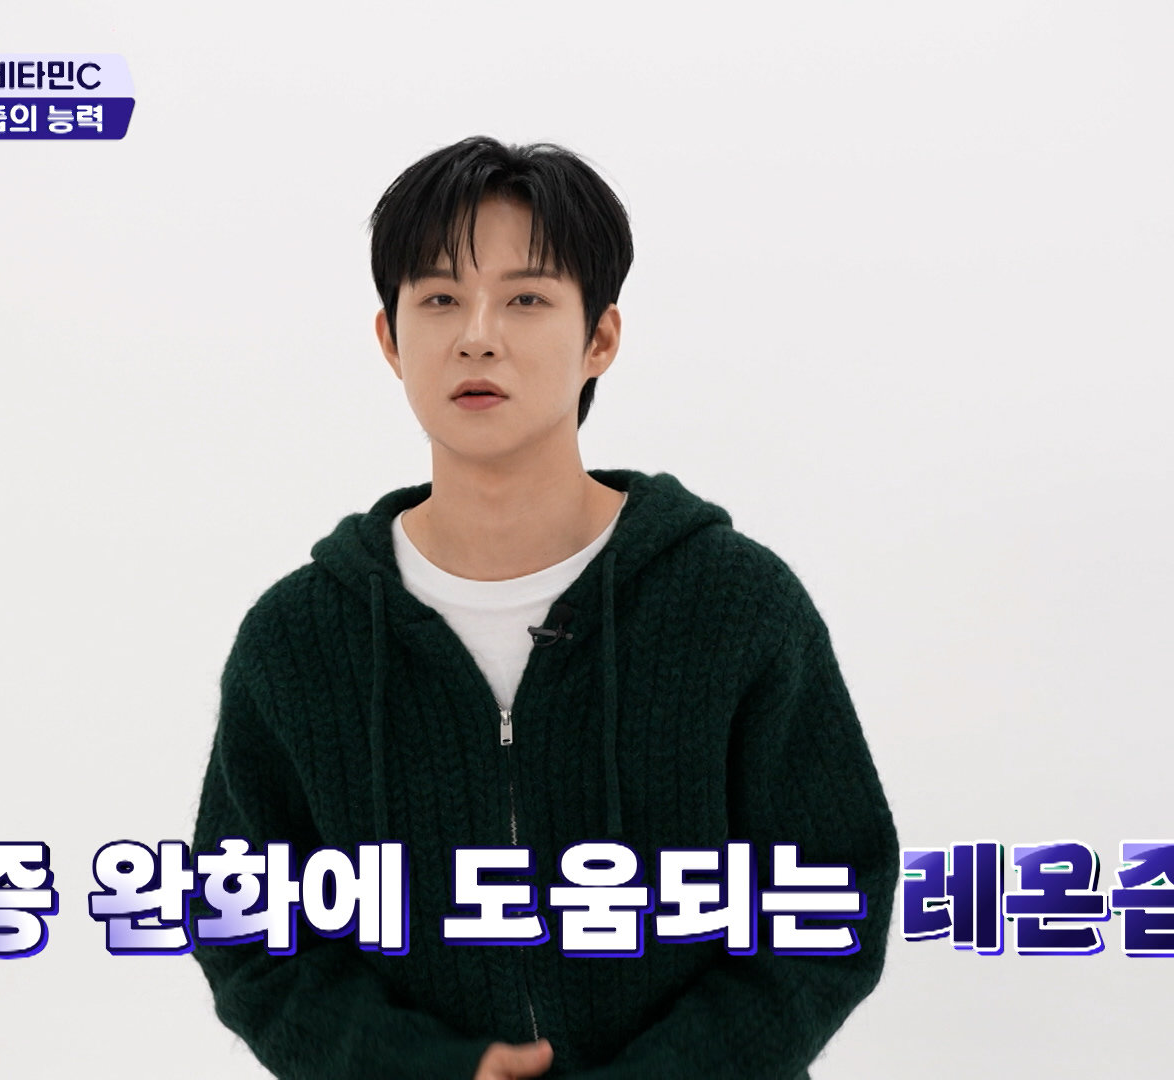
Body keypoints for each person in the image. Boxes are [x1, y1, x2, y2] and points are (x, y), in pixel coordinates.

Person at [189, 135, 899, 1079]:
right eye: (439, 298)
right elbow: (247, 932)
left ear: (600, 338)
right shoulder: (299, 639)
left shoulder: (734, 605)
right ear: (390, 339)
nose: (477, 335)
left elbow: (831, 900)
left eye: (526, 299)